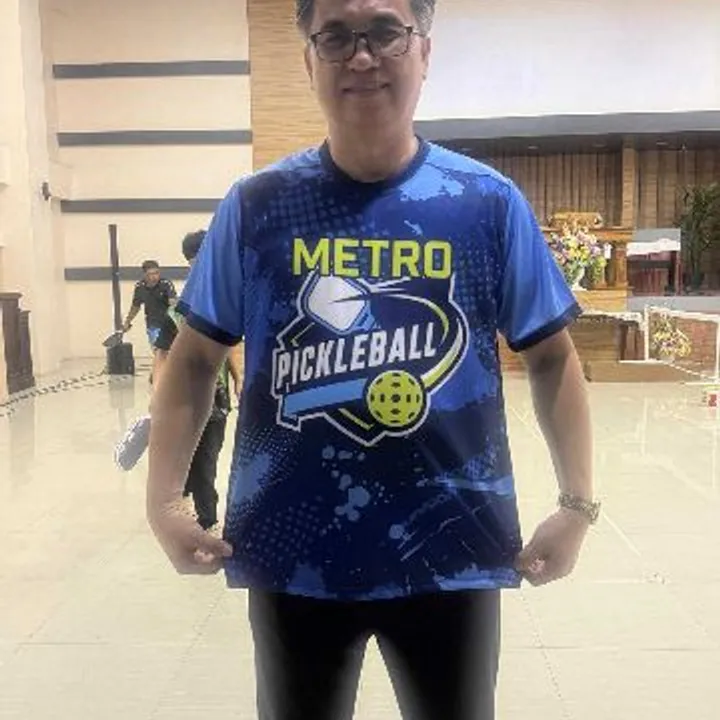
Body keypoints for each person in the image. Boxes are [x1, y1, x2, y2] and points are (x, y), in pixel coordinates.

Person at [147, 1, 599, 718]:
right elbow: (196, 357)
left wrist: (577, 505)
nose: (362, 56)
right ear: (309, 60)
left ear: (425, 50)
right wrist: (164, 500)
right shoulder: (257, 207)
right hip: (295, 552)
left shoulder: (485, 203)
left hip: (450, 548)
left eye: (386, 31)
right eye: (335, 36)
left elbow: (551, 357)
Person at [151, 231, 243, 531]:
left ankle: (207, 519)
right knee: (186, 458)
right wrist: (159, 394)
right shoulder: (176, 313)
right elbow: (162, 355)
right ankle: (197, 514)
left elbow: (232, 347)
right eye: (196, 261)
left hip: (216, 401)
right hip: (182, 399)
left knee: (207, 460)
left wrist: (239, 378)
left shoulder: (224, 305)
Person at [123, 260, 177, 349]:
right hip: (153, 325)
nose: (154, 276)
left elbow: (173, 302)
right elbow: (135, 306)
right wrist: (127, 321)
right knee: (158, 351)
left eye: (156, 273)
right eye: (151, 274)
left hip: (169, 324)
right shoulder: (140, 287)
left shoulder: (166, 283)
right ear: (145, 274)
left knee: (171, 351)